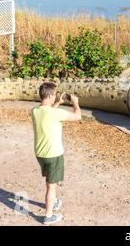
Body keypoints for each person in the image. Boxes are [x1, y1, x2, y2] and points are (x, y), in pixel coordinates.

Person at [31, 82, 82, 224]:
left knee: (49, 180)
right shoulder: (55, 113)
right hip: (53, 154)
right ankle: (48, 216)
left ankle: (52, 202)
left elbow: (49, 113)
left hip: (40, 154)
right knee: (51, 186)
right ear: (51, 95)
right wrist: (75, 103)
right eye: (55, 94)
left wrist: (58, 103)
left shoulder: (35, 111)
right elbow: (78, 116)